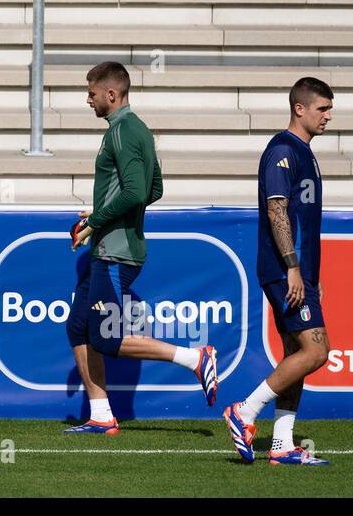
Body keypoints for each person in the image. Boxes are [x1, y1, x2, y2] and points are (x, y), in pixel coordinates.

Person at [64, 61, 218, 435]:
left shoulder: (122, 131)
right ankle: (101, 414)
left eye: (92, 93)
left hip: (116, 252)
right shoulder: (139, 130)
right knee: (78, 326)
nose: (88, 100)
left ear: (111, 95)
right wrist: (104, 212)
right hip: (112, 247)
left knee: (105, 337)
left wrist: (97, 219)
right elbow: (154, 190)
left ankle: (194, 357)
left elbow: (135, 192)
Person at [223, 77, 333, 466]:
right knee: (317, 350)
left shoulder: (305, 152)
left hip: (298, 269)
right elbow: (276, 210)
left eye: (329, 109)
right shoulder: (283, 151)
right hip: (283, 268)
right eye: (322, 108)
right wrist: (292, 268)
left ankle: (283, 443)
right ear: (299, 108)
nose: (328, 116)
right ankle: (245, 412)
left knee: (296, 353)